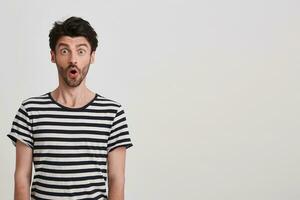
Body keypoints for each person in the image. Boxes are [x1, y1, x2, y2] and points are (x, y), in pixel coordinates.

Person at [7, 16, 133, 200]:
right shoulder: (30, 111)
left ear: (92, 56)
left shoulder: (112, 113)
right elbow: (22, 178)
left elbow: (117, 180)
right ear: (53, 55)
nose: (73, 59)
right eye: (65, 50)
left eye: (81, 51)